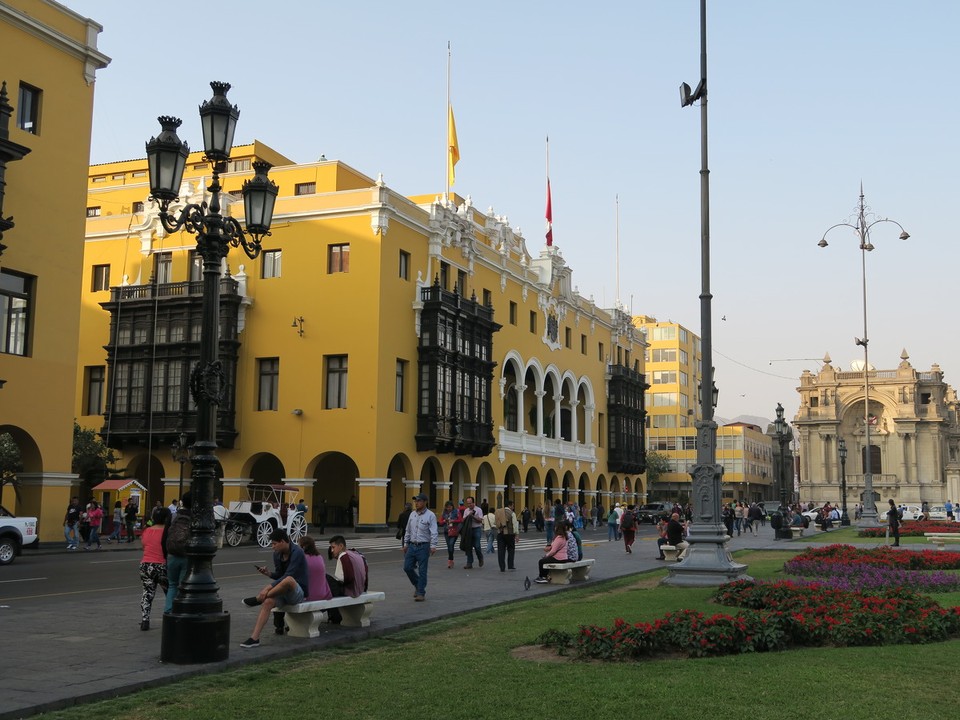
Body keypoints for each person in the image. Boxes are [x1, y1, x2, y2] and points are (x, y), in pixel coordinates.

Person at [240, 528, 309, 648]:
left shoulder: (297, 552)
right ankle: (254, 638)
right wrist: (268, 574)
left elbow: (288, 575)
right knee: (267, 602)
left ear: (283, 541)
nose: (273, 547)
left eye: (274, 544)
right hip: (282, 591)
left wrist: (267, 588)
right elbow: (279, 575)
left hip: (297, 593)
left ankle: (258, 598)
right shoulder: (277, 555)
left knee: (289, 579)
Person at [138, 507, 170, 631]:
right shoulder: (167, 532)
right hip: (161, 565)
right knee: (169, 592)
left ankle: (145, 620)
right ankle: (171, 616)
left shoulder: (147, 530)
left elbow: (143, 546)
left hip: (145, 564)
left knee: (147, 593)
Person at [401, 493, 437, 601]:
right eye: (415, 501)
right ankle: (417, 584)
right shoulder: (412, 514)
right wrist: (406, 544)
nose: (416, 503)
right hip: (412, 545)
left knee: (422, 570)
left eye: (419, 501)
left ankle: (421, 592)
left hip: (423, 546)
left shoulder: (430, 515)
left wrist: (433, 545)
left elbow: (434, 531)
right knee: (407, 567)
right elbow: (408, 529)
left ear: (425, 502)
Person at [327, 534, 368, 621]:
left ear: (341, 546)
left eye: (333, 547)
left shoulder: (343, 556)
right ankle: (334, 614)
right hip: (360, 589)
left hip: (350, 590)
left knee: (326, 579)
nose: (332, 550)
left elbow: (347, 578)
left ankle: (335, 615)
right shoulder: (356, 553)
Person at [164, 491, 192, 614]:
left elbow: (165, 536)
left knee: (172, 585)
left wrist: (166, 554)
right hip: (186, 555)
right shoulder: (195, 518)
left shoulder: (173, 516)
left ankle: (169, 611)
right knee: (182, 586)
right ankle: (181, 611)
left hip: (172, 554)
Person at [459, 496, 484, 569]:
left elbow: (480, 520)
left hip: (476, 529)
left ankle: (480, 558)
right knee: (468, 546)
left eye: (470, 503)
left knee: (477, 546)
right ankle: (469, 563)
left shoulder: (478, 510)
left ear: (474, 503)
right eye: (468, 503)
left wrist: (473, 516)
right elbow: (463, 520)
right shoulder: (466, 510)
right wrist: (467, 516)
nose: (469, 505)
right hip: (468, 530)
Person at [495, 499, 517, 572]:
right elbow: (515, 525)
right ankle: (510, 565)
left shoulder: (498, 512)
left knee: (501, 550)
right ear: (510, 505)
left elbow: (496, 523)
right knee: (511, 549)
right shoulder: (512, 513)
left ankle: (502, 567)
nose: (513, 507)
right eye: (513, 506)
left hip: (500, 533)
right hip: (510, 534)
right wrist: (516, 534)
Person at [439, 500, 461, 569]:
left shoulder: (456, 512)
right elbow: (440, 522)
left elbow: (460, 520)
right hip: (446, 531)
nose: (448, 508)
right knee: (449, 546)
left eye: (450, 507)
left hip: (454, 531)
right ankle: (451, 559)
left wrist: (453, 521)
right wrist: (444, 521)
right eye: (447, 507)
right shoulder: (444, 513)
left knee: (451, 544)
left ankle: (450, 560)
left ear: (452, 507)